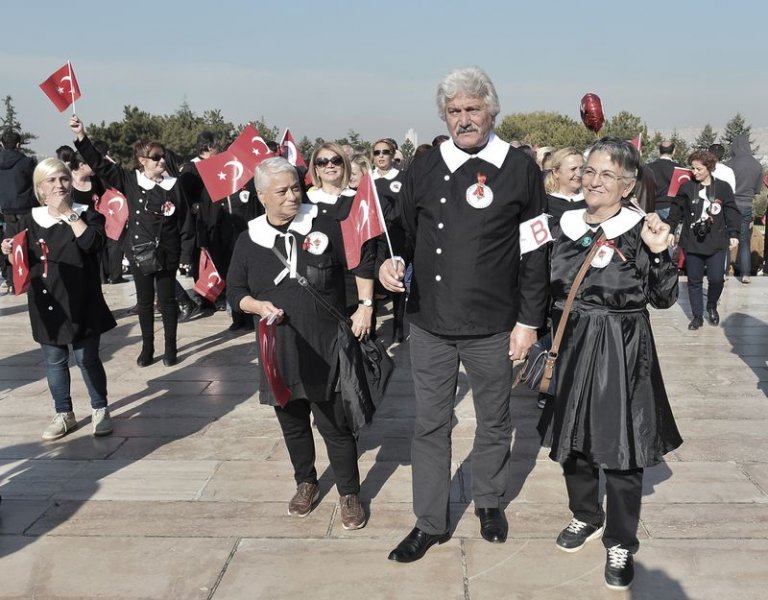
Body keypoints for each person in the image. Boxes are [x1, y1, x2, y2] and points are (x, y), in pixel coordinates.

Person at [380, 67, 548, 562]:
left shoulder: (519, 169)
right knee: (429, 424)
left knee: (494, 420)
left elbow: (535, 253)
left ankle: (490, 502)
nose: (463, 119)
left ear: (491, 110)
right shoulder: (425, 166)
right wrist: (394, 262)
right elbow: (404, 233)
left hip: (494, 324)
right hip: (430, 322)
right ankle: (430, 521)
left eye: (472, 108)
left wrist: (529, 322)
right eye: (453, 111)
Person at [538, 137, 682, 591]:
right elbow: (541, 288)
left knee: (623, 451)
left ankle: (621, 540)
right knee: (573, 441)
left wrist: (660, 254)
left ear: (628, 185)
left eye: (607, 175)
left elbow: (663, 298)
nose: (594, 182)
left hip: (623, 348)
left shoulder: (642, 228)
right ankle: (585, 514)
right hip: (572, 342)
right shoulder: (561, 224)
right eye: (590, 171)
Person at [227, 156, 373, 529]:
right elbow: (236, 291)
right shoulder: (249, 238)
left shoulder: (325, 225)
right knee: (292, 422)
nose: (293, 195)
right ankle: (305, 482)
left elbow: (358, 266)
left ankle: (349, 492)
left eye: (295, 187)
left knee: (334, 424)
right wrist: (256, 306)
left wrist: (365, 307)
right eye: (282, 191)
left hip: (324, 344)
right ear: (261, 196)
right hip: (278, 349)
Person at [1, 159, 116, 440]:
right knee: (54, 360)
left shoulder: (87, 214)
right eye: (51, 181)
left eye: (63, 179)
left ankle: (100, 408)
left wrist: (69, 215)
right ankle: (63, 413)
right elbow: (20, 265)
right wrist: (7, 250)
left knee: (87, 358)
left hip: (83, 300)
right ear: (40, 188)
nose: (59, 185)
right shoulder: (29, 221)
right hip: (47, 301)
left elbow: (93, 245)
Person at [69, 115, 194, 367]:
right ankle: (148, 347)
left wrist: (185, 256)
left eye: (162, 155)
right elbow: (100, 164)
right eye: (155, 157)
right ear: (142, 160)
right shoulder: (129, 180)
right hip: (139, 252)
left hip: (168, 251)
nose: (161, 161)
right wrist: (81, 136)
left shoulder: (174, 184)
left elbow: (185, 221)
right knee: (145, 302)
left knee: (168, 302)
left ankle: (171, 347)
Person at [667, 150, 739, 329]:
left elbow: (731, 211)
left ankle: (712, 305)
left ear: (709, 167)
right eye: (692, 168)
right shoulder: (687, 187)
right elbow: (675, 211)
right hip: (692, 241)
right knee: (694, 280)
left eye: (698, 168)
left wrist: (734, 234)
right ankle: (697, 315)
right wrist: (669, 229)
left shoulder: (723, 188)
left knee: (716, 279)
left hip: (716, 241)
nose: (694, 172)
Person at [306, 143, 374, 329]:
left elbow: (369, 252)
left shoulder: (359, 201)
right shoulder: (304, 204)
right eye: (322, 162)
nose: (330, 165)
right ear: (316, 169)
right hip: (315, 294)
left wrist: (366, 305)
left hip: (353, 290)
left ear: (344, 165)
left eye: (336, 160)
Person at [0, 129, 37, 290]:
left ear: (1, 144)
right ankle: (28, 278)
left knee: (8, 243)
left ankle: (11, 280)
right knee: (26, 243)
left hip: (6, 209)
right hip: (25, 208)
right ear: (18, 145)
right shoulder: (26, 162)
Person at [725, 135, 764, 283]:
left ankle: (724, 271)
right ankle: (745, 274)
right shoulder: (757, 165)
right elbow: (757, 190)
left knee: (727, 239)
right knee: (744, 241)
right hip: (747, 205)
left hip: (731, 205)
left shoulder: (729, 164)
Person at [543, 147, 585, 224]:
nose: (579, 174)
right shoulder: (545, 204)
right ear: (555, 172)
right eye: (573, 169)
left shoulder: (592, 200)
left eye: (582, 168)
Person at [645, 140, 679, 220]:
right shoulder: (678, 169)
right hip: (670, 206)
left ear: (659, 151)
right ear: (673, 151)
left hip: (651, 207)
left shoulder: (648, 168)